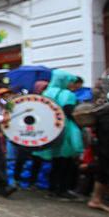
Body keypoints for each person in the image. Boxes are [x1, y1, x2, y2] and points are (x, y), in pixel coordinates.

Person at [33, 69, 84, 199]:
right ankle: (62, 189)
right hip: (66, 130)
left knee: (55, 161)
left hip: (50, 130)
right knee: (65, 161)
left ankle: (52, 188)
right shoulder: (68, 94)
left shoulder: (46, 93)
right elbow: (70, 112)